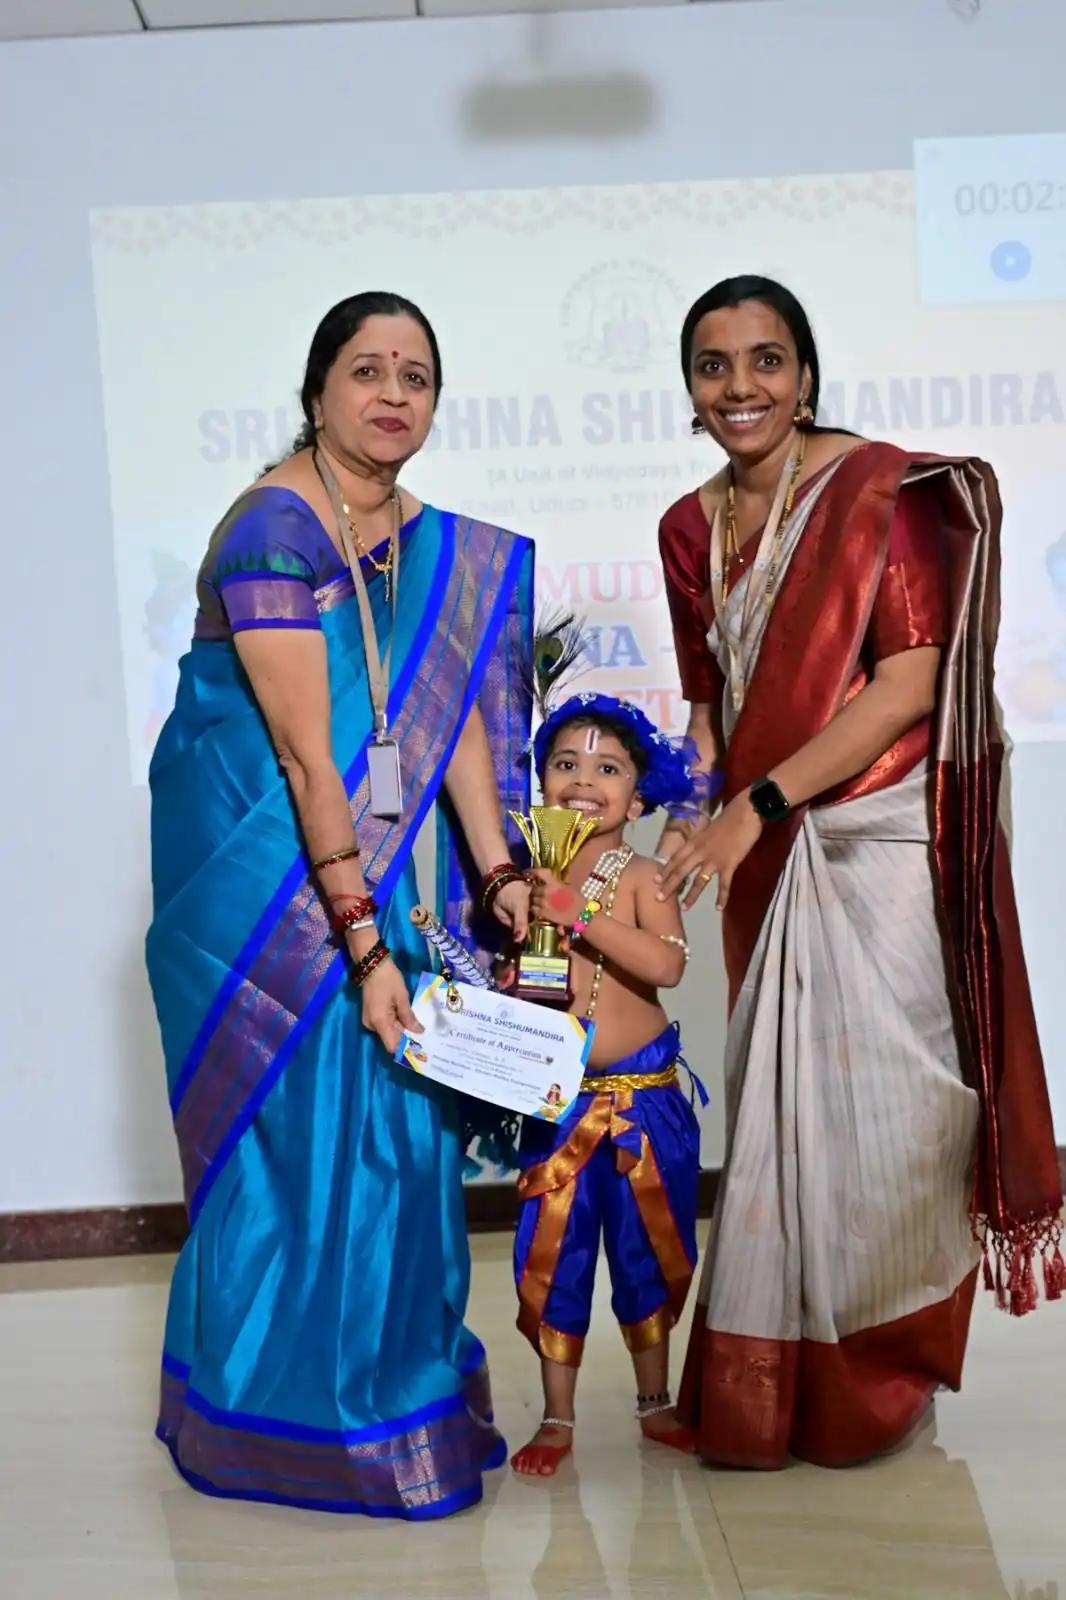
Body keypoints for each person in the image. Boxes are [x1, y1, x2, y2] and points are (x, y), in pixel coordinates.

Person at [655, 274, 1063, 1471]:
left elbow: (907, 681)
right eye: (715, 366)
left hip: (876, 839)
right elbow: (709, 705)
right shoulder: (690, 526)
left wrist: (756, 802)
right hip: (763, 859)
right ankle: (768, 1390)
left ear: (806, 373)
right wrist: (680, 805)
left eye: (765, 360)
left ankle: (878, 1379)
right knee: (790, 1131)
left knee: (894, 1120)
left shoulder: (876, 494)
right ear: (690, 388)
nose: (741, 388)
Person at [147, 291, 535, 1519]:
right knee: (306, 1117)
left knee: (399, 1122)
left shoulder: (422, 536)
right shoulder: (272, 530)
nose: (393, 393)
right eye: (366, 370)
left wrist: (500, 868)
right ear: (315, 388)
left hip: (367, 856)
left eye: (416, 375)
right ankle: (285, 1415)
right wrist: (364, 941)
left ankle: (400, 1388)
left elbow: (455, 706)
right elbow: (313, 763)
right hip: (266, 870)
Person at [507, 693, 708, 1478]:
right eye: (566, 763)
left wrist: (574, 914)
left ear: (638, 791)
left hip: (643, 1101)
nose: (584, 779)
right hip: (560, 1106)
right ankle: (558, 1415)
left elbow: (666, 965)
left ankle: (654, 1402)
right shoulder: (531, 871)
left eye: (607, 766)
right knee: (553, 1259)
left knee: (646, 1250)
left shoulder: (644, 875)